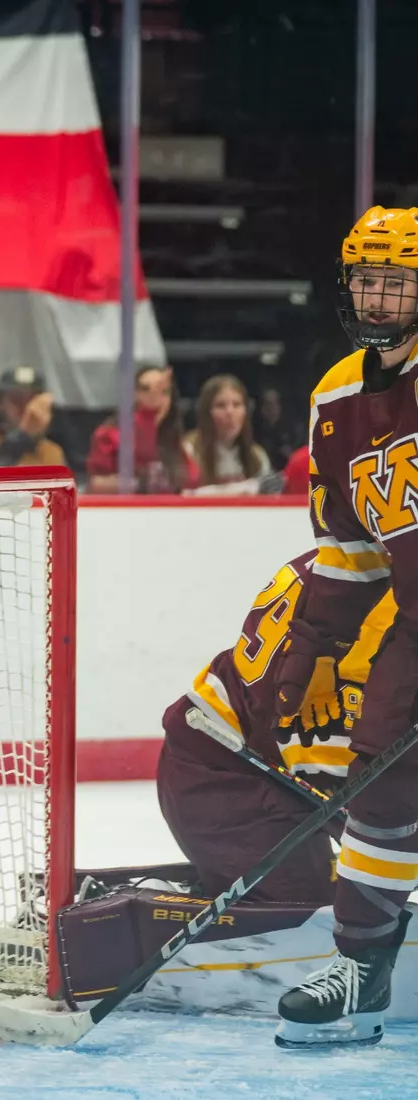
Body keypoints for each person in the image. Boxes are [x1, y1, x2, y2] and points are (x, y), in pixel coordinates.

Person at [269, 205, 418, 1047]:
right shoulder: (336, 395)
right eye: (364, 278)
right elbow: (351, 548)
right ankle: (361, 968)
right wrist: (315, 649)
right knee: (380, 784)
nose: (374, 295)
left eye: (392, 280)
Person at [158, 552, 382, 908]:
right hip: (225, 776)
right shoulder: (380, 621)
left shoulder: (348, 557)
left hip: (250, 757)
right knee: (318, 919)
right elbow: (343, 791)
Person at [84, 365, 198, 494]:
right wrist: (140, 483)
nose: (156, 398)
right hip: (123, 511)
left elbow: (193, 480)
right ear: (133, 394)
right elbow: (96, 484)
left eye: (164, 392)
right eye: (146, 389)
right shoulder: (109, 435)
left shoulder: (171, 436)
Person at [183, 374, 279, 496]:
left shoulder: (257, 456)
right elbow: (185, 496)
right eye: (220, 406)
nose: (230, 412)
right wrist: (246, 489)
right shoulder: (188, 450)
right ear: (206, 413)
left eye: (237, 404)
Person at [0, 365, 66, 468]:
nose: (27, 409)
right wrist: (22, 437)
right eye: (16, 400)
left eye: (33, 401)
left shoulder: (52, 452)